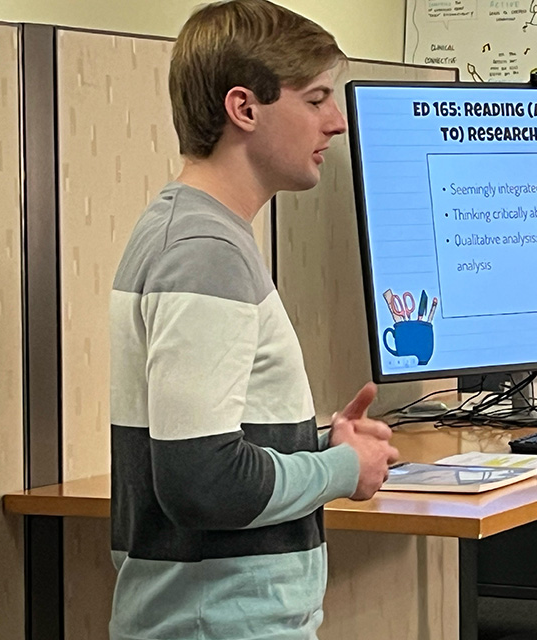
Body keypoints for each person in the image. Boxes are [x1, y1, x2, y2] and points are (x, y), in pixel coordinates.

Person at [107, 1, 398, 638]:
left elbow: (203, 451)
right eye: (317, 98)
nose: (335, 122)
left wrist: (316, 447)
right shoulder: (204, 256)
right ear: (245, 108)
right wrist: (341, 472)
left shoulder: (190, 234)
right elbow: (200, 483)